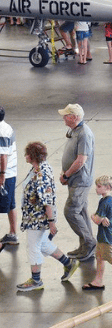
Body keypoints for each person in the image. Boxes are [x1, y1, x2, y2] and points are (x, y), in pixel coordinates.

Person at [16, 141, 79, 291]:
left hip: (38, 219)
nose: (25, 156)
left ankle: (36, 281)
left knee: (33, 246)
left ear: (32, 156)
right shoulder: (38, 168)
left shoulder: (41, 173)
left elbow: (47, 199)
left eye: (27, 154)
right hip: (36, 216)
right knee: (43, 244)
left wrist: (51, 222)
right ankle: (69, 264)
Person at [58, 102, 96, 261]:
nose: (64, 118)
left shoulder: (84, 134)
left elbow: (81, 160)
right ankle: (84, 247)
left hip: (80, 180)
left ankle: (89, 243)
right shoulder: (75, 130)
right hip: (75, 179)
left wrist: (66, 175)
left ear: (75, 117)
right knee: (80, 211)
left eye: (66, 115)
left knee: (71, 211)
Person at [0, 107, 19, 246]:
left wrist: (1, 175)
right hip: (10, 174)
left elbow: (3, 156)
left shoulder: (1, 132)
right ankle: (13, 234)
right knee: (11, 204)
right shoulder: (5, 126)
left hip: (5, 174)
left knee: (7, 203)